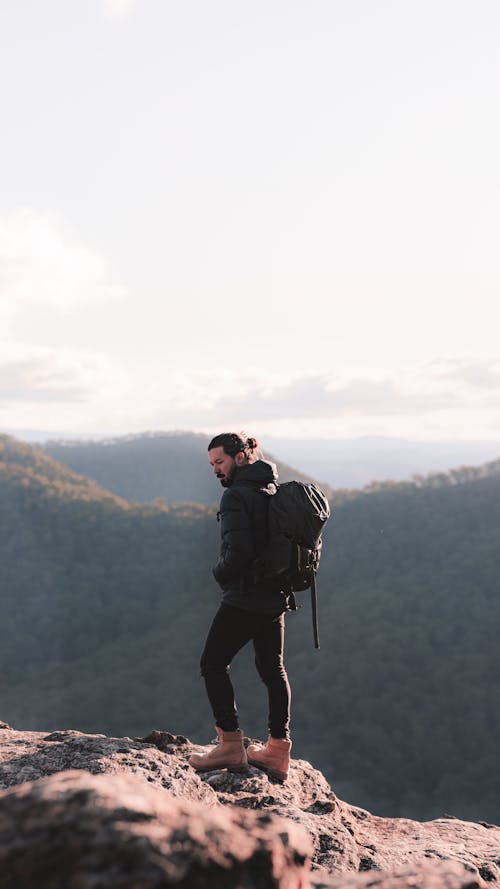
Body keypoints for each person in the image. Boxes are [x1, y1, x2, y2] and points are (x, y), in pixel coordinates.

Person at [188, 431, 292, 781]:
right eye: (212, 464)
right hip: (275, 594)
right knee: (272, 670)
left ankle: (230, 743)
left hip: (245, 596)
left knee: (213, 663)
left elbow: (239, 552)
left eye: (220, 462)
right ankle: (277, 751)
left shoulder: (236, 496)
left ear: (241, 456)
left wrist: (219, 573)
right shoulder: (272, 488)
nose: (216, 470)